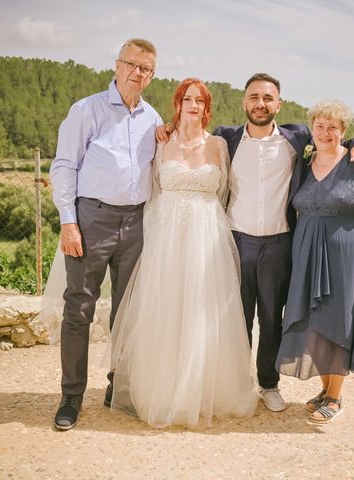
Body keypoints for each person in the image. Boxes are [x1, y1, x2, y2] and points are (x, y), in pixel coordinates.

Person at [213, 74, 354, 412]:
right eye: (254, 97)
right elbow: (192, 139)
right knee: (233, 319)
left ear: (279, 105)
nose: (260, 104)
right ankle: (232, 385)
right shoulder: (224, 139)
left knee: (273, 320)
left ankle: (269, 385)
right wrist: (166, 129)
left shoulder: (297, 138)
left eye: (268, 98)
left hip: (279, 243)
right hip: (236, 241)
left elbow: (334, 135)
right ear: (244, 102)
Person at [108, 78, 258, 428]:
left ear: (207, 108)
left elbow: (223, 193)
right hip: (167, 236)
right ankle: (162, 391)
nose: (193, 105)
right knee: (167, 308)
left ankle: (203, 389)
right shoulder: (159, 141)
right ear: (177, 104)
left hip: (207, 235)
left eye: (200, 100)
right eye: (187, 99)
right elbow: (153, 189)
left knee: (204, 311)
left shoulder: (220, 144)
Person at [49, 38, 162, 431]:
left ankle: (119, 389)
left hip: (137, 222)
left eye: (145, 69)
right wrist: (68, 220)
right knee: (79, 307)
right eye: (131, 64)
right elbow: (64, 165)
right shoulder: (87, 109)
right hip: (91, 218)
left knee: (127, 312)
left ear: (151, 76)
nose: (137, 73)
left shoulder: (153, 118)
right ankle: (71, 397)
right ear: (117, 65)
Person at [275, 100, 354, 424]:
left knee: (338, 317)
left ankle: (336, 397)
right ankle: (325, 389)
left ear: (344, 131)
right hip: (306, 251)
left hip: (345, 252)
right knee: (315, 320)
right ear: (312, 128)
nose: (326, 132)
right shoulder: (303, 163)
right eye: (320, 126)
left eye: (333, 127)